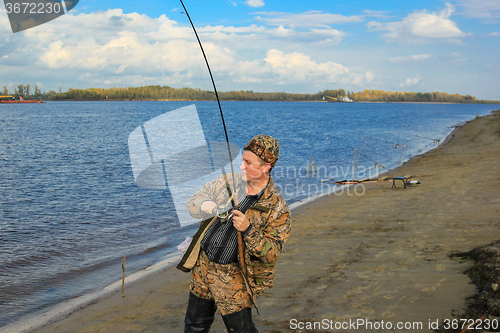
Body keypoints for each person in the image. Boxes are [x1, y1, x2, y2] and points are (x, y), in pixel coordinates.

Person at [177, 134, 291, 333]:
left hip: (234, 279)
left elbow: (271, 254)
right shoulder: (228, 181)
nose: (241, 167)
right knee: (194, 326)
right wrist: (206, 204)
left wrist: (248, 229)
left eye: (248, 163)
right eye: (242, 161)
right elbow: (194, 200)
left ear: (266, 167)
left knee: (241, 330)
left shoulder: (278, 208)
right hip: (202, 268)